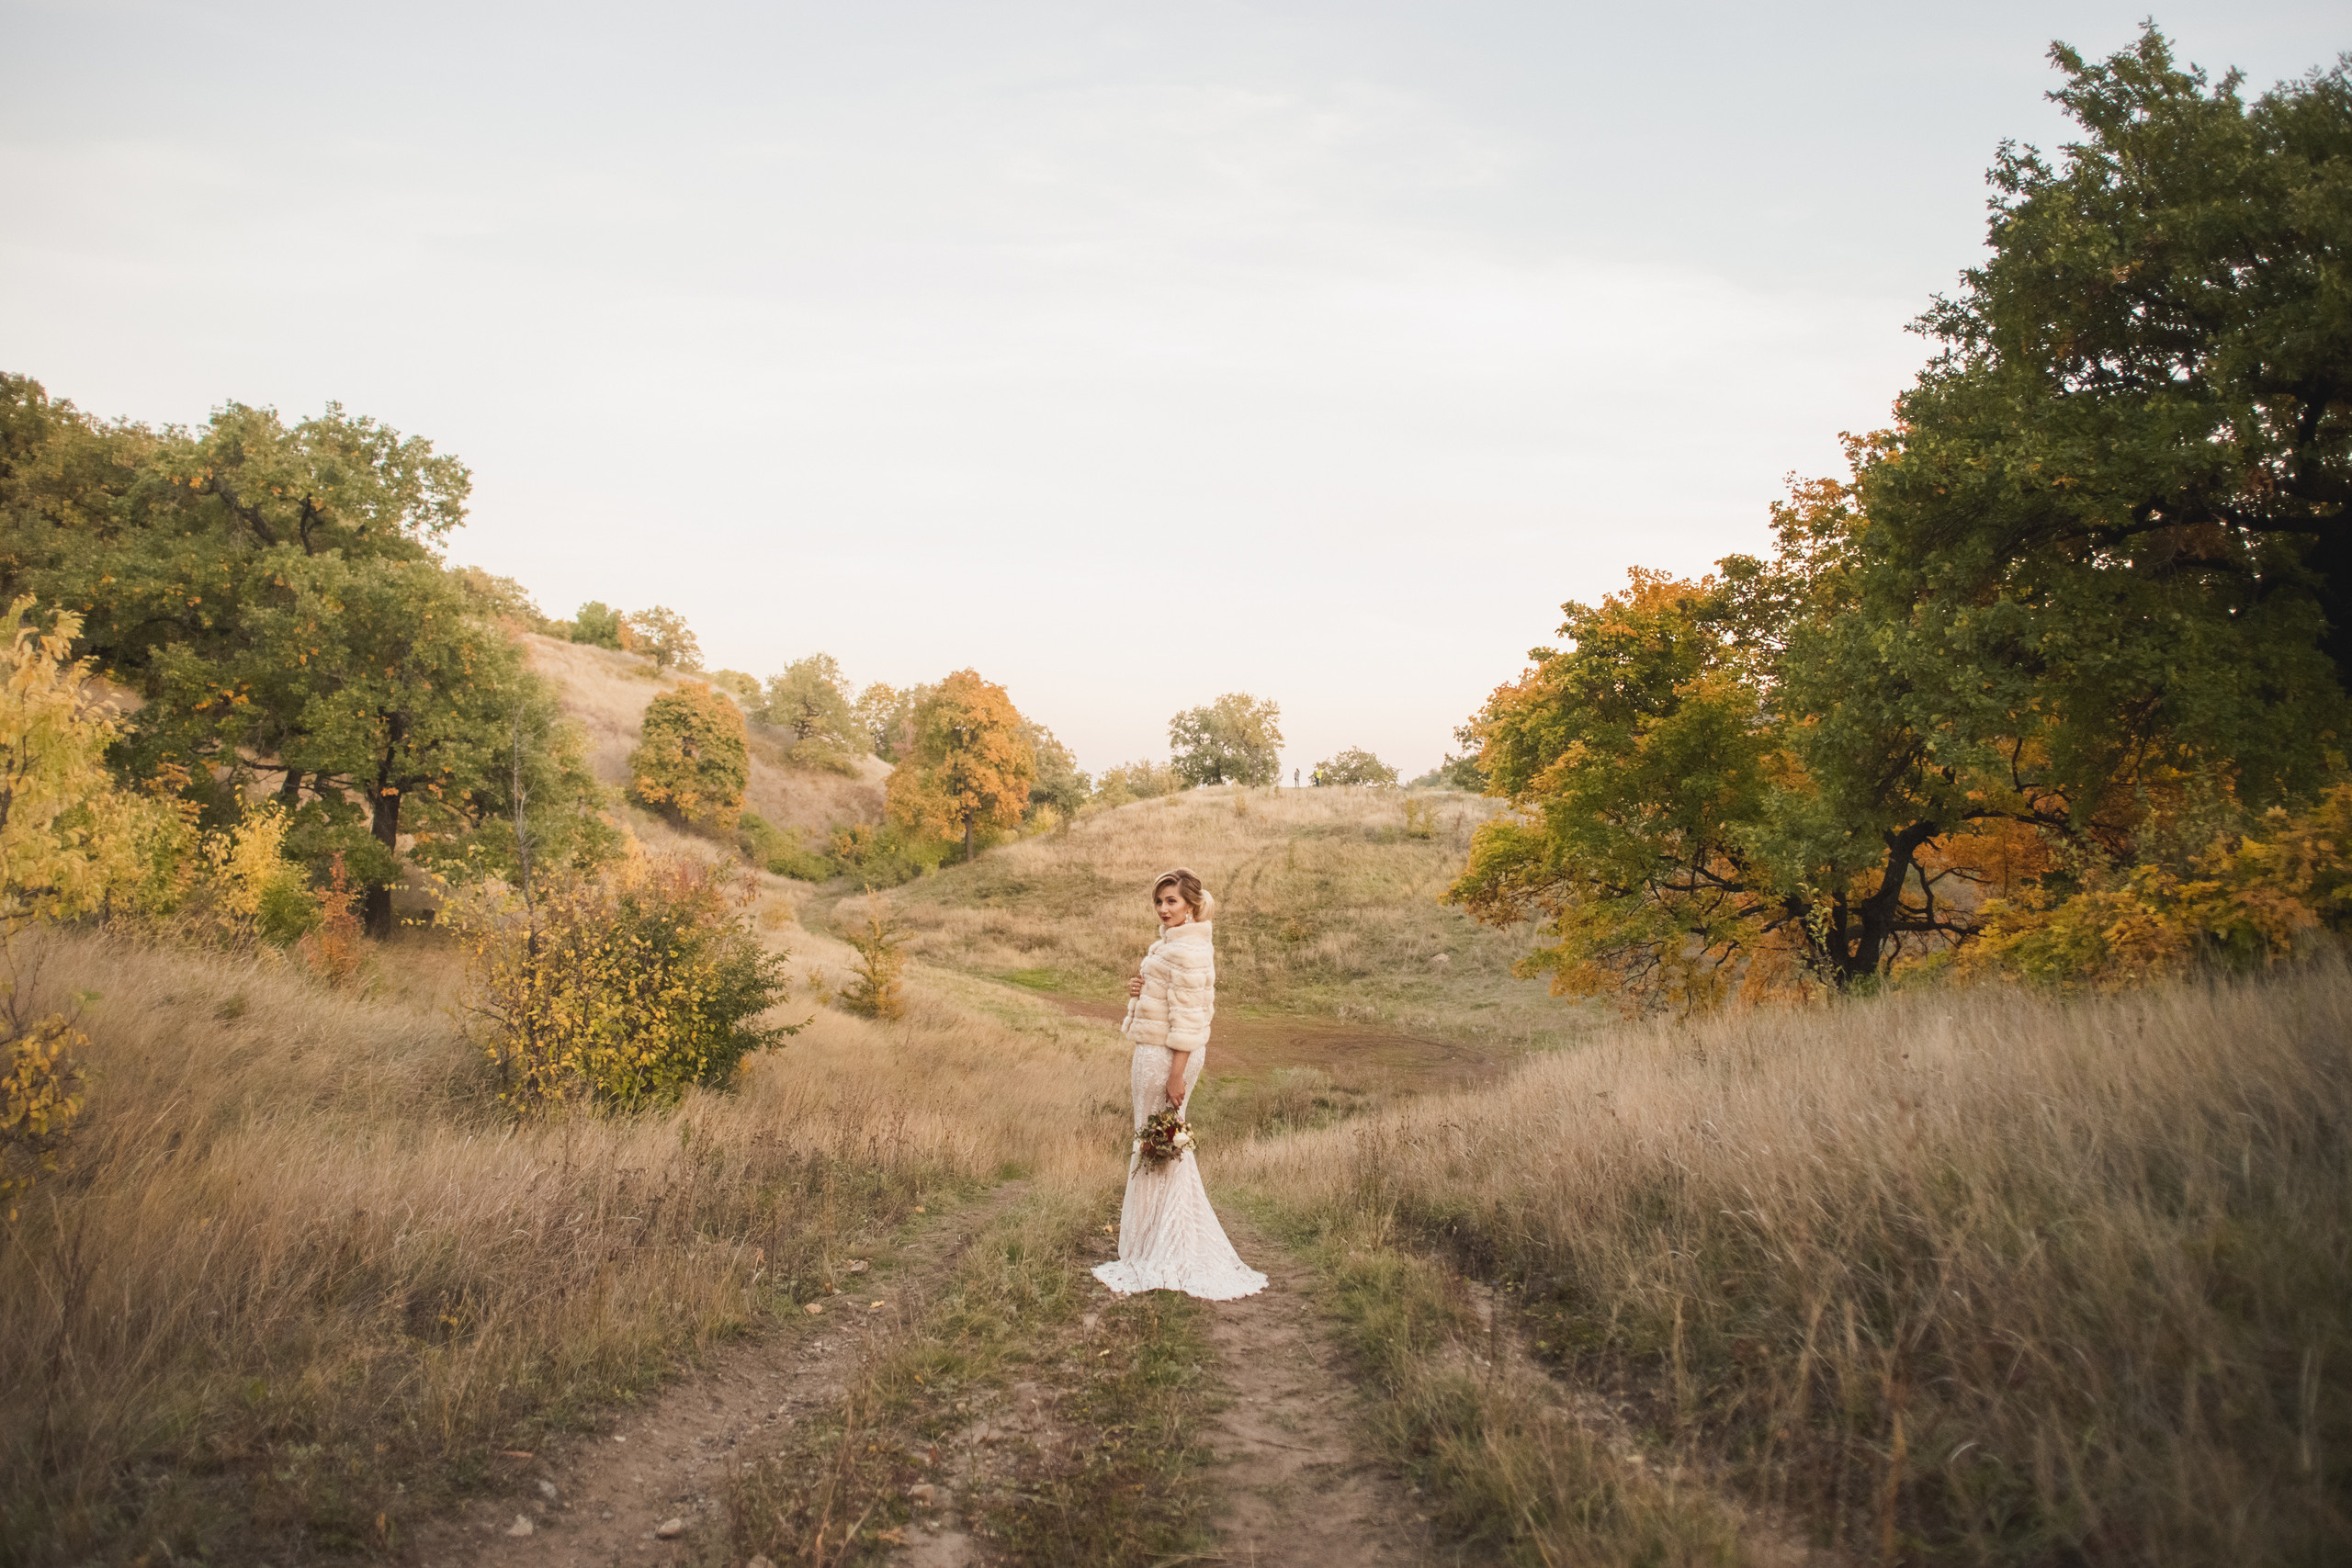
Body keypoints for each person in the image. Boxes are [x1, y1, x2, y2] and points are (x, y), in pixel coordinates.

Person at [1091, 868, 1267, 1300]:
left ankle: (1168, 1243)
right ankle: (1153, 1239)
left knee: (1161, 1144)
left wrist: (1176, 1074)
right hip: (1155, 1049)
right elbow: (1165, 998)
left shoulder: (1189, 950)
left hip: (1169, 1055)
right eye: (1159, 901)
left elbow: (1190, 1019)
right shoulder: (1170, 944)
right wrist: (1139, 987)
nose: (1164, 908)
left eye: (1172, 901)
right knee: (1157, 1143)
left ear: (1191, 904)